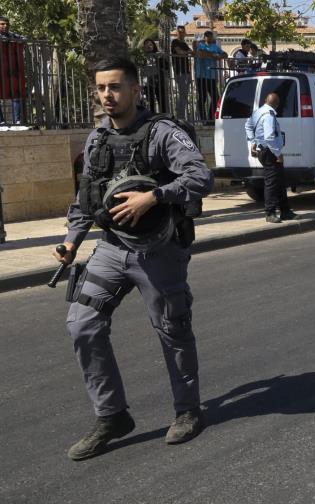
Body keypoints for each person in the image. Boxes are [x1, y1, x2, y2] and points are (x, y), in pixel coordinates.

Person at [52, 57, 214, 461]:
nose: (108, 95)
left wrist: (153, 196)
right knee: (82, 323)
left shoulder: (162, 133)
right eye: (102, 88)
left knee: (172, 329)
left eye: (116, 87)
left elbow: (200, 177)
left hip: (159, 249)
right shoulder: (97, 139)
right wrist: (71, 242)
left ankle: (188, 410)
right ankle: (111, 415)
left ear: (136, 89)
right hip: (110, 247)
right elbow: (85, 199)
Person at [245, 92, 297, 223]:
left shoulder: (258, 112)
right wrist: (278, 153)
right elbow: (269, 137)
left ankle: (285, 211)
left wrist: (252, 141)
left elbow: (248, 125)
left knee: (280, 181)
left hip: (264, 151)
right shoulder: (269, 115)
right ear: (276, 104)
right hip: (270, 153)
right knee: (272, 184)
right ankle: (270, 212)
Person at [195, 31, 226, 121]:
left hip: (211, 76)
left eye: (210, 36)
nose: (209, 38)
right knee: (202, 98)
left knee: (216, 98)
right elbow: (201, 54)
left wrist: (219, 56)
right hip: (201, 76)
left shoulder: (215, 46)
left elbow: (225, 54)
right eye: (207, 36)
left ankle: (209, 118)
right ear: (204, 37)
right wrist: (214, 55)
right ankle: (203, 119)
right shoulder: (201, 45)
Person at [0, 15, 25, 125]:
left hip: (11, 69)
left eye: (7, 24)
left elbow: (23, 39)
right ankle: (0, 122)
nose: (5, 26)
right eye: (2, 24)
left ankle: (18, 121)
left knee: (16, 93)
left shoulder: (12, 35)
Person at [171, 26, 194, 119]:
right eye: (180, 32)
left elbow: (191, 52)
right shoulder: (175, 42)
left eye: (183, 32)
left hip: (186, 72)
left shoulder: (184, 43)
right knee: (182, 94)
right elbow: (179, 52)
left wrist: (186, 52)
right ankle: (180, 117)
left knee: (185, 95)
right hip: (179, 71)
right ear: (177, 33)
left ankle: (183, 116)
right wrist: (186, 52)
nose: (181, 34)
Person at [141, 39, 169, 114]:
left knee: (162, 101)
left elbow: (166, 66)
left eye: (150, 44)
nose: (149, 46)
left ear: (154, 46)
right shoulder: (142, 56)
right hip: (147, 82)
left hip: (158, 81)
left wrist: (160, 58)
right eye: (147, 45)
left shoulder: (158, 55)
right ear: (144, 47)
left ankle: (163, 117)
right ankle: (151, 118)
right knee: (150, 102)